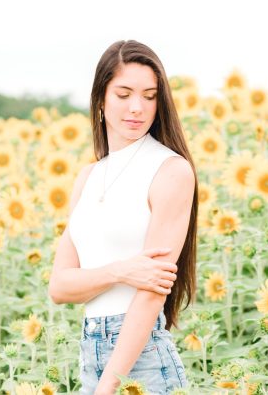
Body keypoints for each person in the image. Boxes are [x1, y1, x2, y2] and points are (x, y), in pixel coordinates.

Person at [48, 40, 198, 394]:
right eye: (124, 94)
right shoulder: (88, 176)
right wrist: (121, 271)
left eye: (149, 96)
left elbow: (150, 295)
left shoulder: (170, 170)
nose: (137, 108)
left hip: (141, 361)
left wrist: (108, 387)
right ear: (101, 98)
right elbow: (59, 287)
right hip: (90, 353)